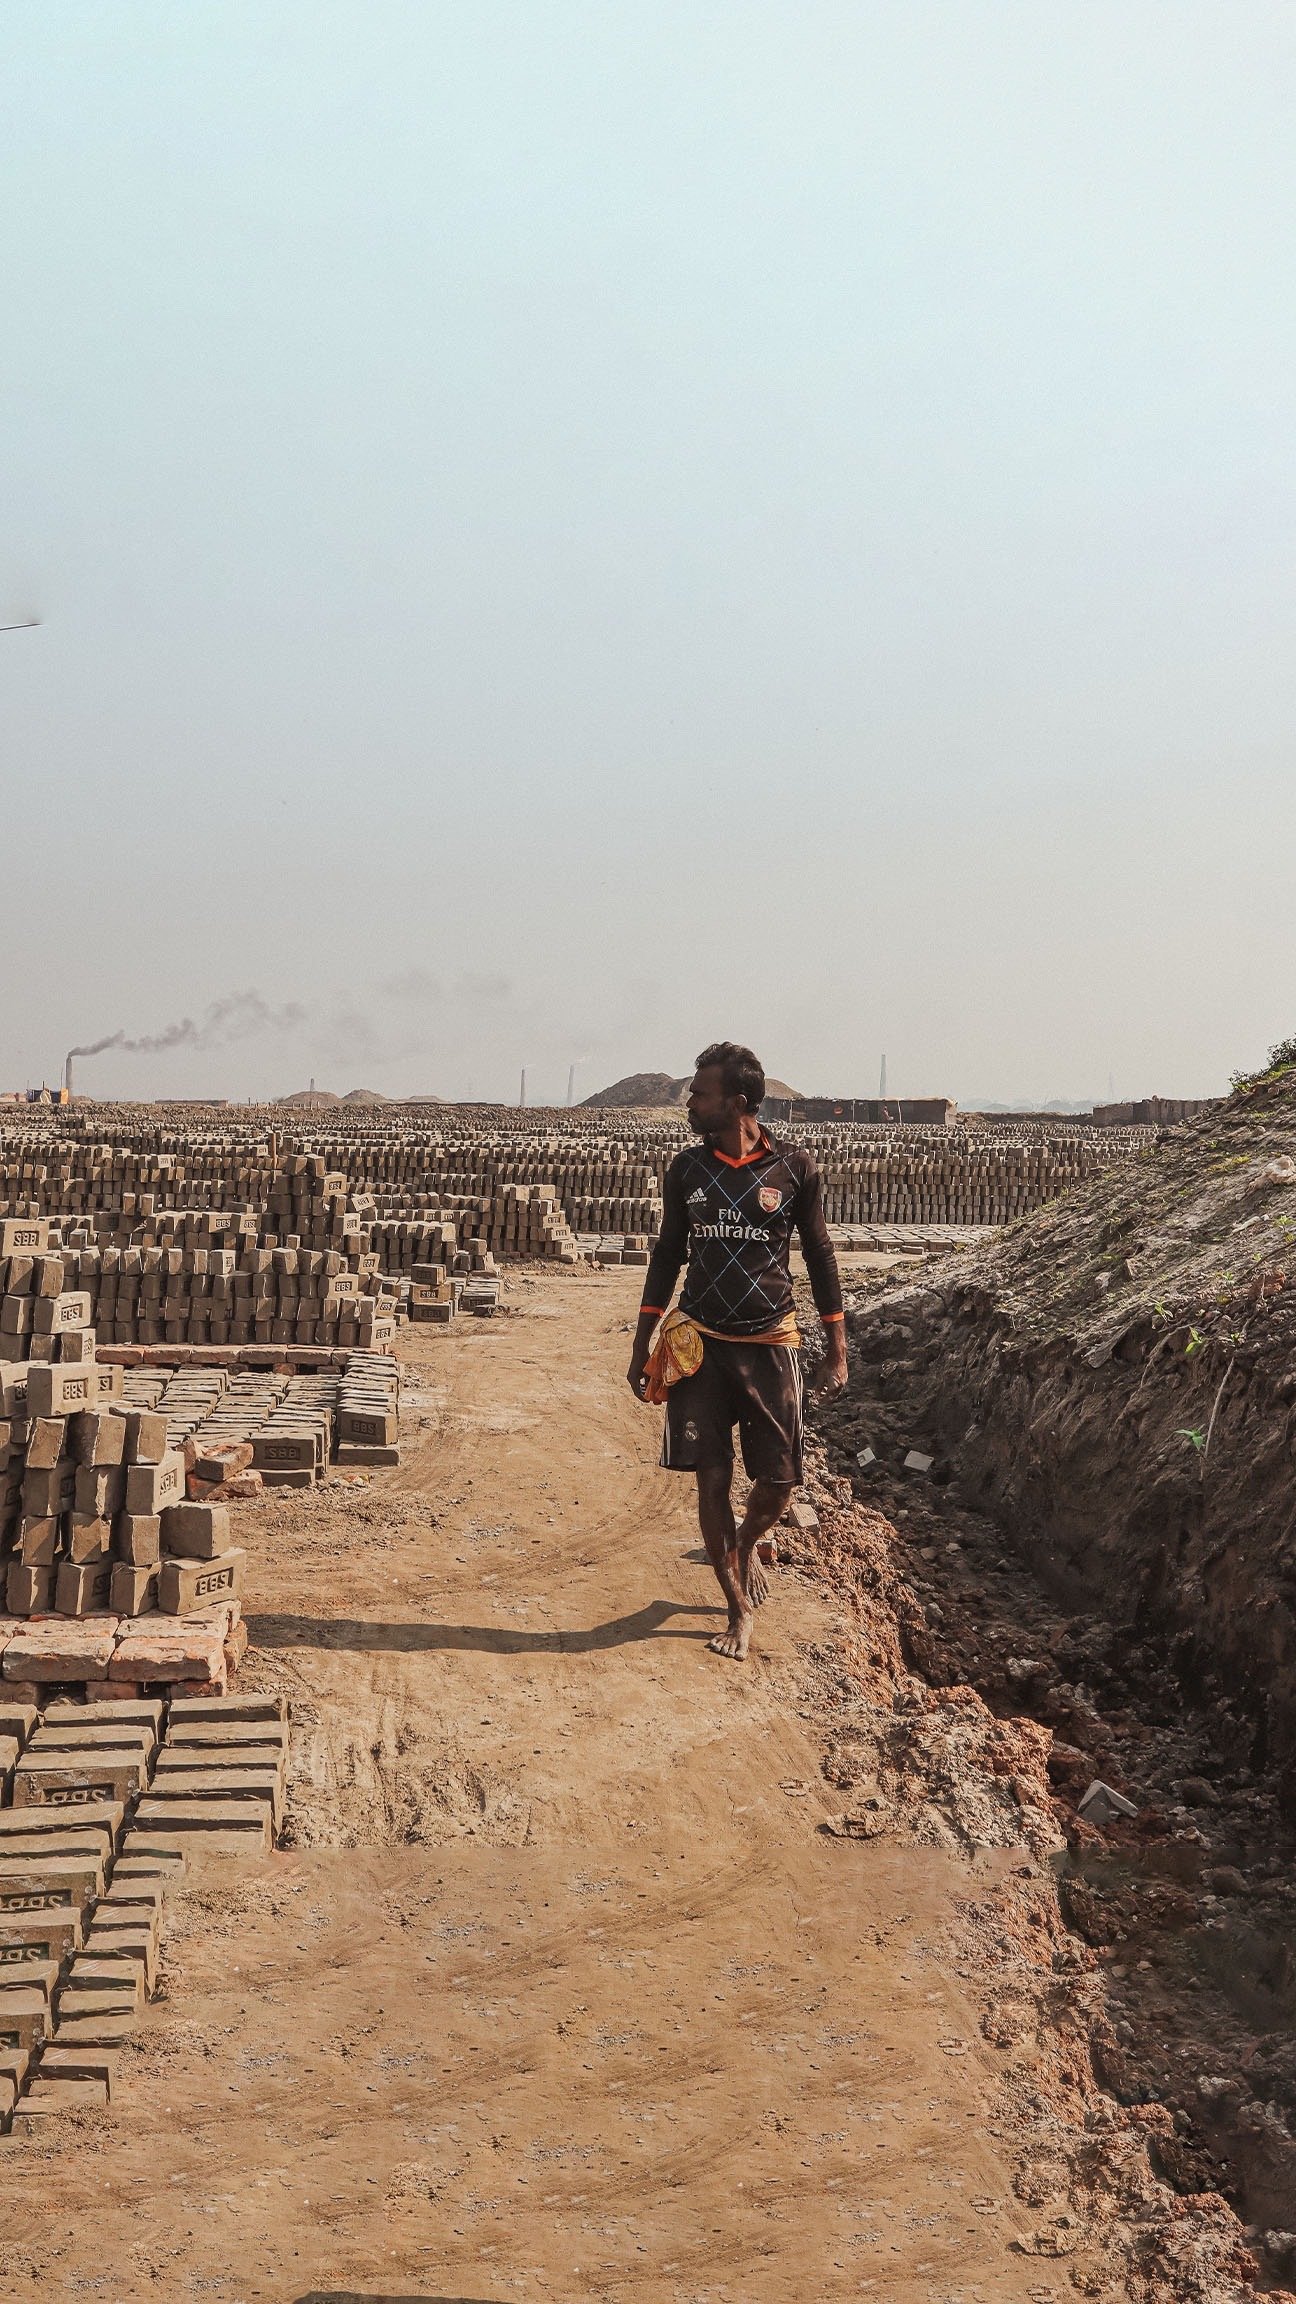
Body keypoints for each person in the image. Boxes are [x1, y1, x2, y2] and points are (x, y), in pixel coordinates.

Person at [627, 1042, 848, 1661]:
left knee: (778, 1484)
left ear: (738, 1102)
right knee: (711, 1480)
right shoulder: (687, 1170)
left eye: (700, 1092)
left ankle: (747, 1543)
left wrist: (837, 1349)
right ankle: (737, 1608)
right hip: (699, 1346)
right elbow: (668, 1255)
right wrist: (642, 1342)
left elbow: (822, 1257)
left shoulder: (795, 1169)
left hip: (771, 1343)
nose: (689, 1102)